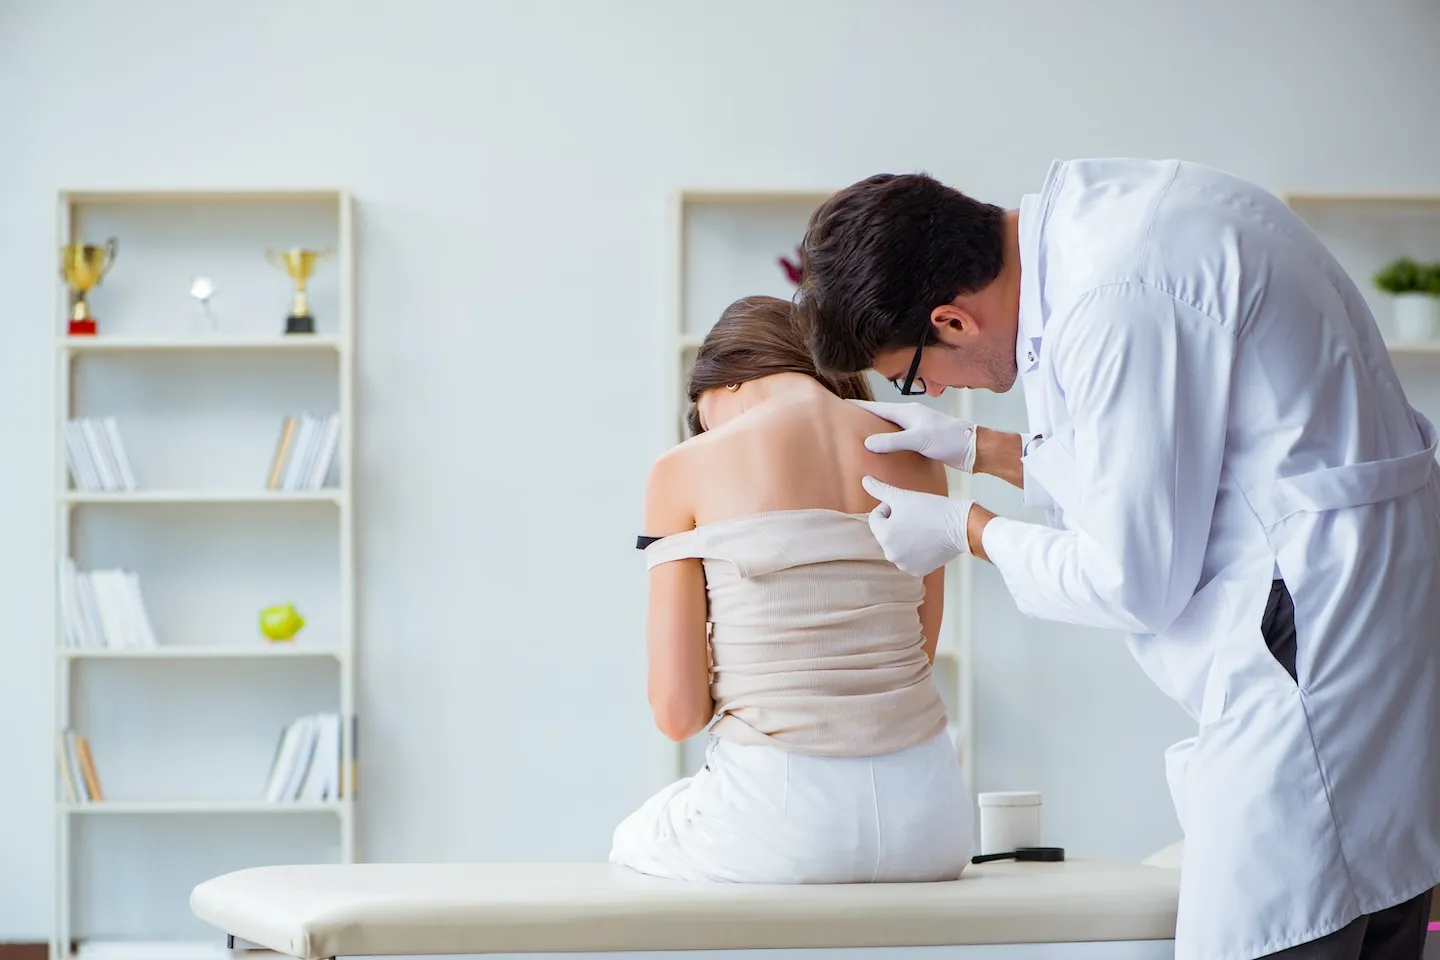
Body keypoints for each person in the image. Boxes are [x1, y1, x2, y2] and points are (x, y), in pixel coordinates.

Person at [792, 158, 1440, 959]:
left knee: (1293, 921)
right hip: (1363, 607)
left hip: (1316, 640)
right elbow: (1167, 465)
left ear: (952, 322)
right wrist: (981, 448)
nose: (926, 394)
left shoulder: (1114, 302)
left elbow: (1131, 581)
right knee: (1373, 906)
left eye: (911, 380)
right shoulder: (1115, 226)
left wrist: (967, 529)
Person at [609, 294, 973, 884]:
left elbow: (678, 714)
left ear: (723, 382)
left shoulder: (682, 467)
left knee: (634, 836)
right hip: (935, 825)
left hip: (778, 827)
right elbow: (919, 657)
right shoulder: (916, 454)